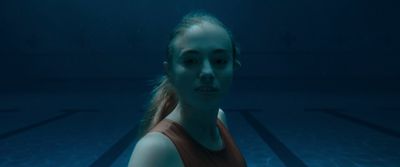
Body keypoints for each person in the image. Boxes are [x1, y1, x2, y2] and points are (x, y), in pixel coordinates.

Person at [128, 11, 246, 167]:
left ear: (234, 67)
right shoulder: (155, 151)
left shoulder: (219, 120)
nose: (207, 73)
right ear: (169, 71)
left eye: (219, 61)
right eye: (191, 61)